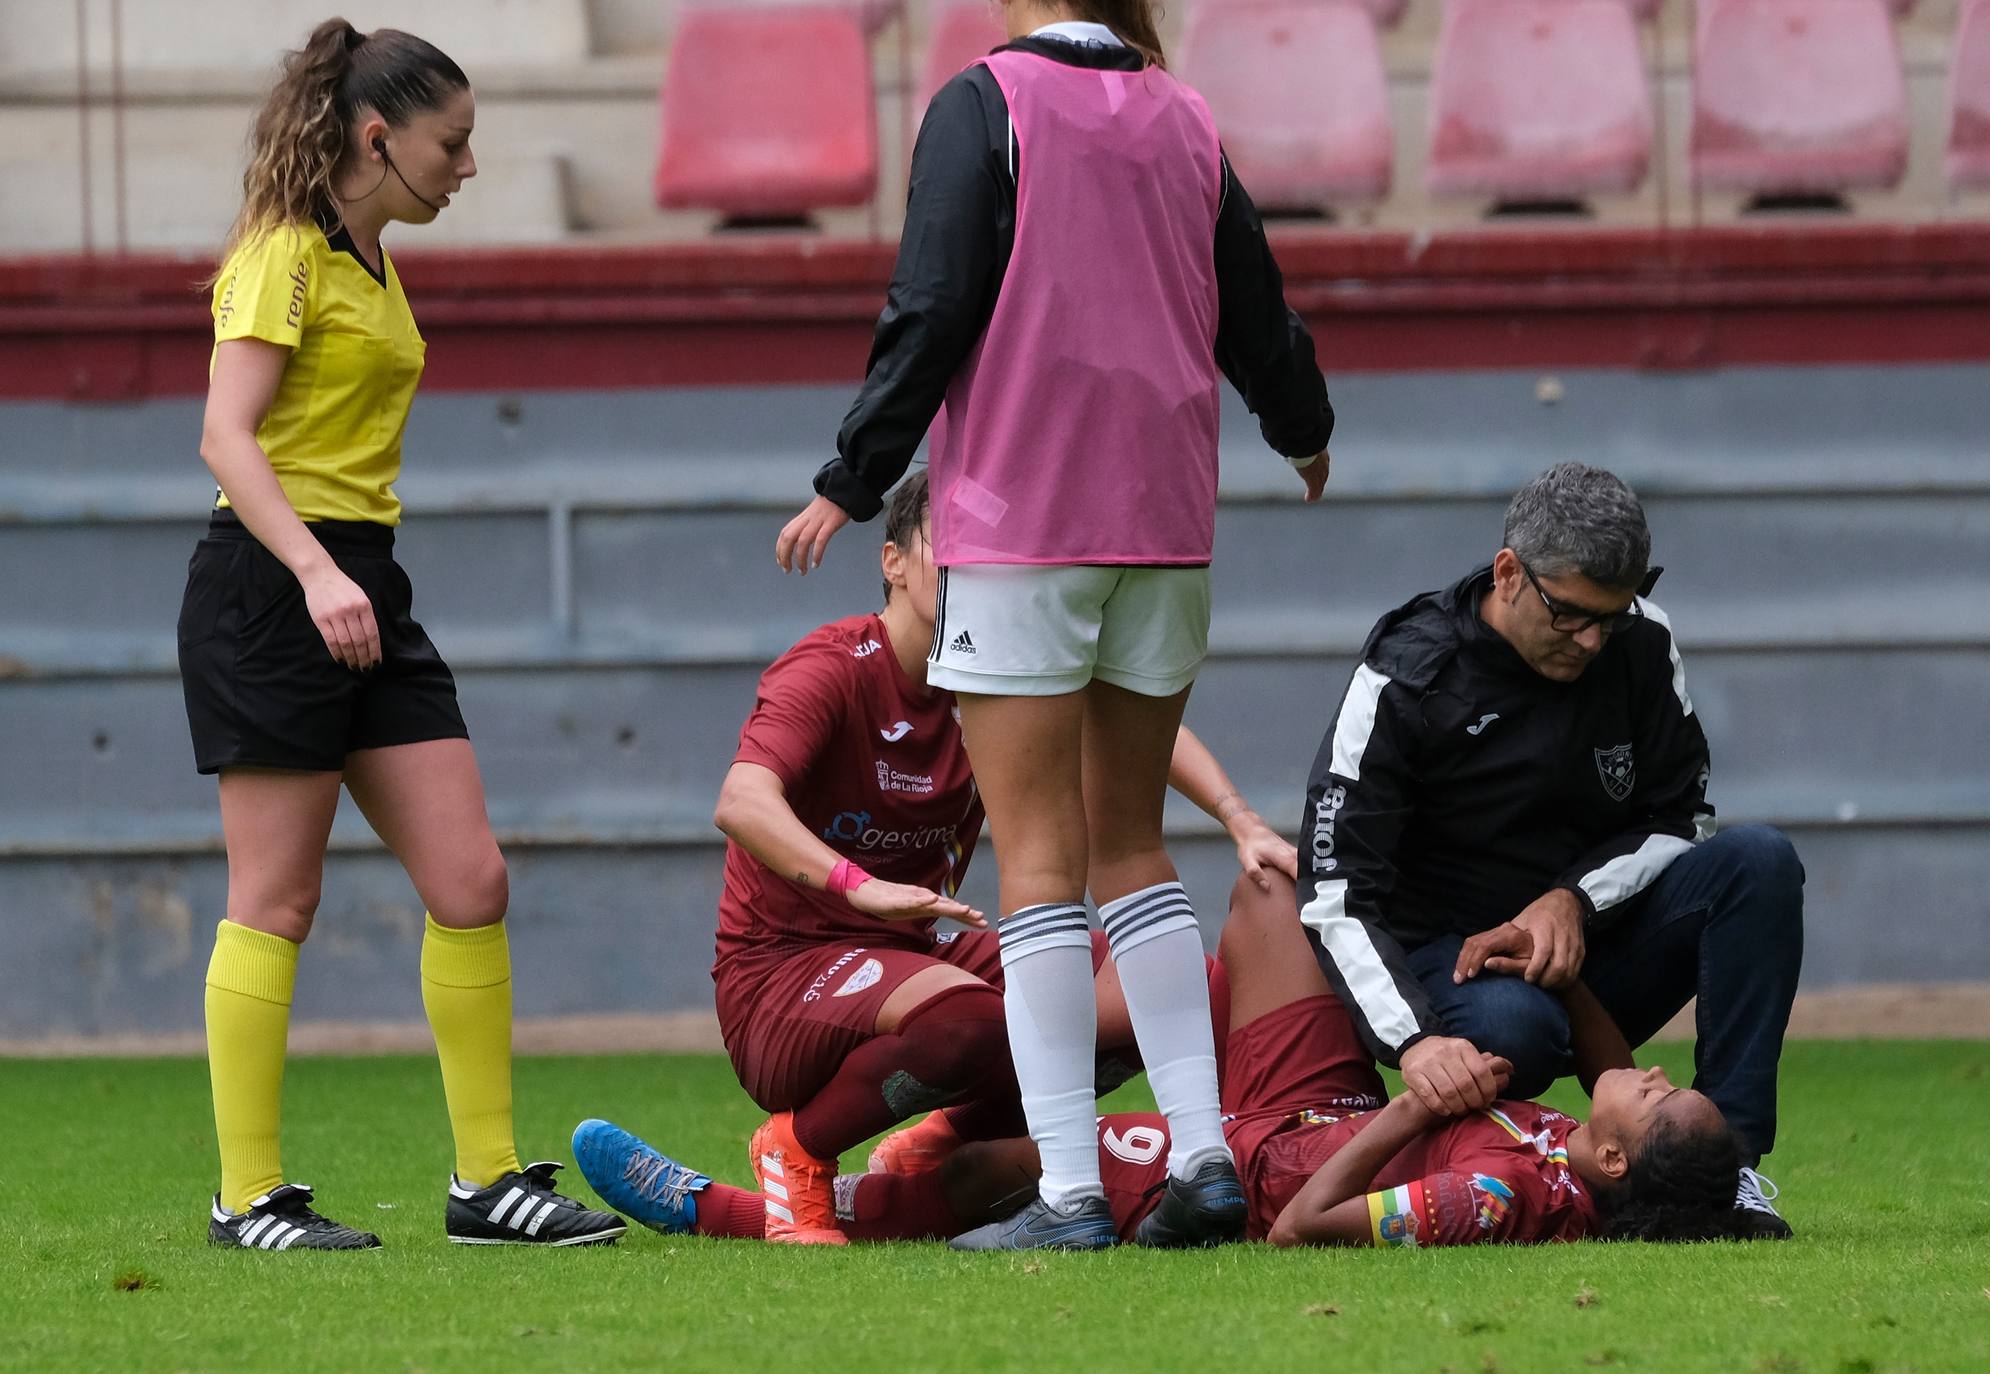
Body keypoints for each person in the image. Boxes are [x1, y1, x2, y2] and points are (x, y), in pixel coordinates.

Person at [772, 0, 1336, 1252]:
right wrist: (1301, 424)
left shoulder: (984, 103)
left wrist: (851, 476)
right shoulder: (1184, 112)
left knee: (1037, 871)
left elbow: (929, 306)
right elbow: (1254, 300)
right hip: (1167, 530)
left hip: (1022, 531)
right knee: (1133, 849)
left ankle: (1070, 1195)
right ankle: (1202, 1161)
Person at [181, 19, 618, 1251]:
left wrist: (345, 575)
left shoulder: (372, 261)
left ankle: (486, 1183)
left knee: (470, 880)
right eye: (454, 142)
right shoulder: (281, 255)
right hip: (275, 585)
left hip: (363, 580)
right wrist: (317, 573)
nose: (467, 167)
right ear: (378, 137)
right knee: (276, 897)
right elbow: (227, 439)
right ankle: (247, 1197)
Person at [718, 472, 1297, 1244]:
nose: (967, 570)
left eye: (983, 552)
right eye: (945, 550)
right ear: (892, 562)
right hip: (782, 971)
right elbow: (742, 802)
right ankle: (796, 1149)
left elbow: (1129, 720)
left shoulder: (996, 673)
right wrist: (859, 887)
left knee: (1176, 991)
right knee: (969, 1019)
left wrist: (1240, 819)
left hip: (913, 952)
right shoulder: (830, 666)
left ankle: (947, 1140)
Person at [572, 869, 1751, 1248]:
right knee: (1270, 896)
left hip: (1278, 1170)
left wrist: (1410, 1111)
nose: (1651, 1072)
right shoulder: (1586, 1148)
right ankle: (1002, 1071)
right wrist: (1565, 952)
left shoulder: (1497, 1199)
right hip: (1321, 1098)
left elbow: (1301, 1237)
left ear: (1604, 1158)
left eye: (1654, 1097)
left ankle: (732, 1212)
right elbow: (1604, 1057)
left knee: (1006, 1171)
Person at [1294, 462, 1803, 1236]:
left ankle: (1722, 1172)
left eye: (1612, 614)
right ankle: (1495, 1169)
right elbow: (1333, 890)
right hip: (1453, 966)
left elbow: (1682, 814)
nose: (1593, 639)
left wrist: (1571, 899)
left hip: (1592, 947)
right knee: (1516, 1027)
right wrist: (1417, 1041)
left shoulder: (1641, 638)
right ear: (1508, 573)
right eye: (1569, 615)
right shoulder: (1406, 676)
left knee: (1759, 864)